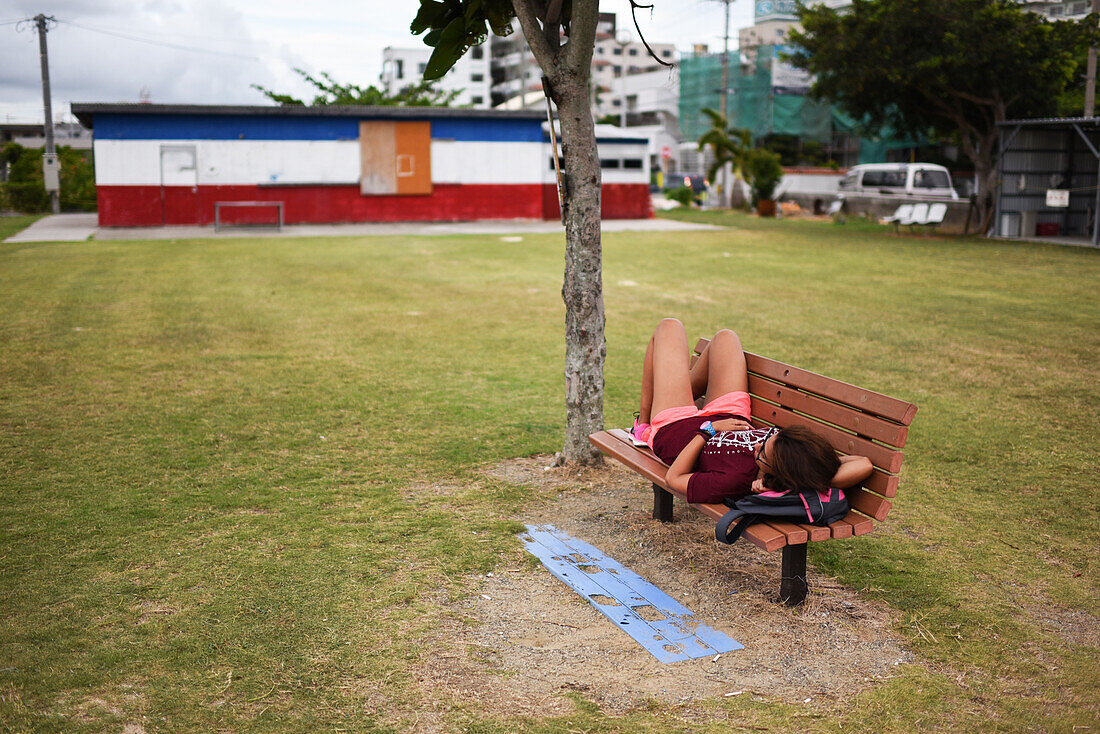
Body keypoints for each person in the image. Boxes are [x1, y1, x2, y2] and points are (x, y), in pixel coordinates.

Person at [631, 318, 873, 504]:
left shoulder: (734, 480)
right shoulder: (797, 456)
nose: (756, 447)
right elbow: (863, 464)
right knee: (725, 338)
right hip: (731, 415)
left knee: (669, 327)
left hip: (679, 430)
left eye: (762, 456)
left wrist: (708, 431)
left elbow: (674, 479)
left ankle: (643, 425)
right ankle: (679, 391)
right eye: (768, 438)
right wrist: (805, 481)